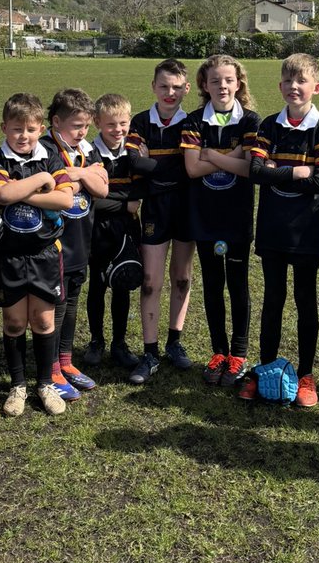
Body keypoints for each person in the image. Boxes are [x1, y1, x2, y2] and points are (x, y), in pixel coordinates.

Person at [238, 53, 319, 407]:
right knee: (273, 300)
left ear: (316, 87)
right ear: (280, 85)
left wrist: (275, 169)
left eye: (301, 81)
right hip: (273, 227)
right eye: (288, 81)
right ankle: (265, 368)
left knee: (305, 301)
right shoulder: (268, 125)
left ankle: (306, 375)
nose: (294, 87)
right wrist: (296, 171)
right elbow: (254, 172)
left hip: (308, 230)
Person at [0, 93, 75, 418]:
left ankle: (45, 384)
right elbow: (1, 193)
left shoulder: (50, 156)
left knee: (43, 320)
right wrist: (39, 183)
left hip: (43, 254)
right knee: (13, 322)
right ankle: (18, 385)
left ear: (40, 129)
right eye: (16, 129)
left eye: (30, 129)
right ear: (4, 128)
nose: (23, 136)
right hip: (9, 255)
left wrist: (22, 194)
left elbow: (65, 200)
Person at [181, 54, 260, 387]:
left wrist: (210, 154)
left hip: (237, 217)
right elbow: (191, 169)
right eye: (215, 80)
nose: (222, 86)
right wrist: (232, 156)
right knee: (213, 284)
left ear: (238, 83)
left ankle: (239, 353)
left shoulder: (252, 122)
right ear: (204, 85)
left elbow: (250, 169)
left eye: (228, 80)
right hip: (206, 218)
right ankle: (218, 351)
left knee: (238, 283)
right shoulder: (194, 121)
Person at [126, 59, 195, 385]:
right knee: (151, 281)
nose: (170, 93)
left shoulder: (194, 123)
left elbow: (147, 164)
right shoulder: (140, 122)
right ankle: (150, 351)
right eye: (164, 86)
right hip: (154, 210)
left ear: (187, 89)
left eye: (176, 87)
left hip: (186, 209)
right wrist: (173, 169)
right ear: (153, 87)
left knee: (181, 278)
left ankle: (174, 341)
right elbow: (133, 161)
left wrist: (151, 163)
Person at [42, 88, 109, 399]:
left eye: (86, 126)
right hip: (54, 243)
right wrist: (86, 177)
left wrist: (79, 173)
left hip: (82, 239)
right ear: (56, 122)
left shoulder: (87, 149)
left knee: (71, 304)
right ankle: (51, 366)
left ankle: (66, 361)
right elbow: (56, 186)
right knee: (56, 305)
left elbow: (102, 188)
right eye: (76, 126)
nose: (83, 132)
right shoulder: (44, 149)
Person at [83, 93, 143, 372]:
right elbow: (92, 199)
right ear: (97, 122)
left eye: (123, 123)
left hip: (128, 229)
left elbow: (142, 190)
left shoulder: (134, 151)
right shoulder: (88, 153)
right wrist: (125, 201)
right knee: (97, 284)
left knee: (123, 283)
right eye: (110, 125)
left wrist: (125, 198)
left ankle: (119, 343)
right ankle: (96, 341)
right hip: (97, 229)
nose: (118, 130)